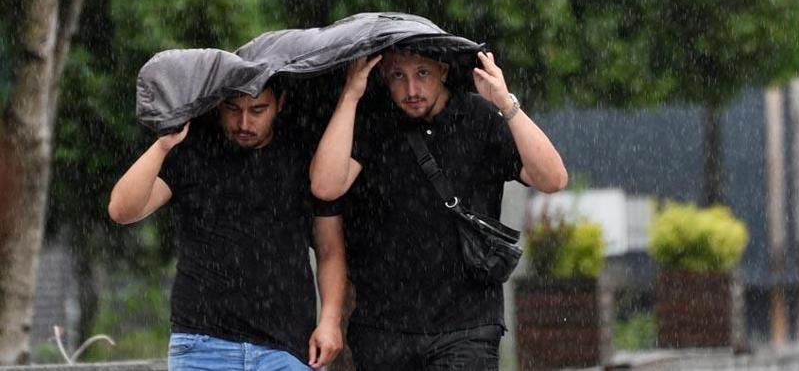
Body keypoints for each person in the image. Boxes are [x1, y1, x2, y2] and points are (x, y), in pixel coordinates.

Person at [310, 48, 568, 370]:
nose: (412, 90)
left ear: (443, 71)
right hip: (384, 326)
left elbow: (553, 178)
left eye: (422, 73)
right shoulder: (371, 121)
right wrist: (350, 96)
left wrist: (505, 103)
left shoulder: (478, 117)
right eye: (398, 76)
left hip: (466, 324)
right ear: (383, 78)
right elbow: (325, 186)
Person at [108, 84, 345, 371]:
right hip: (201, 345)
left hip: (286, 347)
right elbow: (121, 210)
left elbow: (330, 250)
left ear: (280, 103)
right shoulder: (194, 148)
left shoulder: (304, 154)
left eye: (258, 109)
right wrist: (163, 144)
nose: (244, 122)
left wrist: (330, 320)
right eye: (233, 109)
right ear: (219, 104)